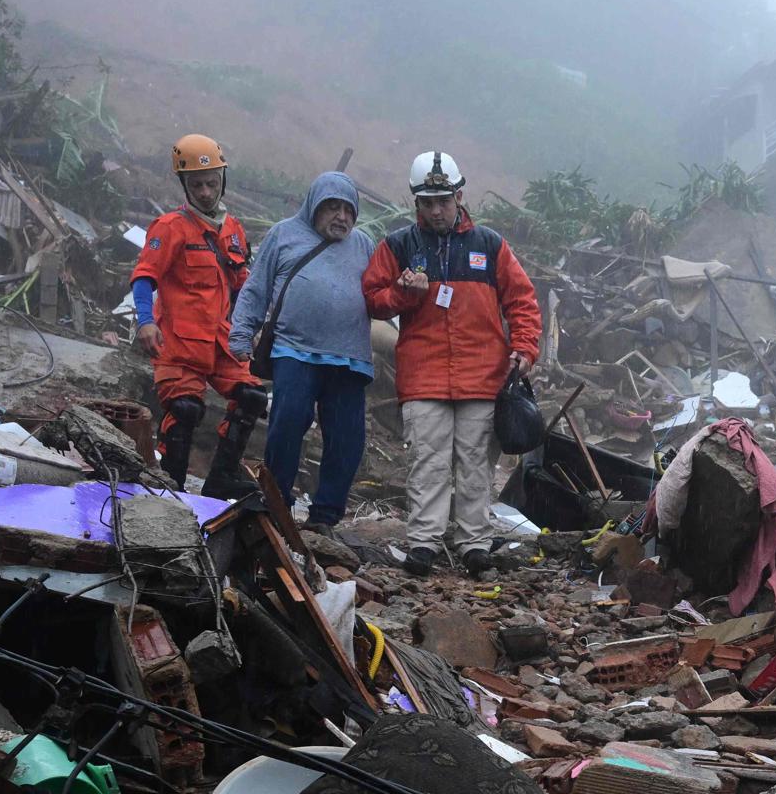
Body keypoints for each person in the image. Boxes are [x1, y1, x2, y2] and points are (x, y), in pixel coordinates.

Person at [362, 151, 541, 575]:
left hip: (483, 374)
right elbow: (371, 297)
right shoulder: (399, 246)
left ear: (459, 196)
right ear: (415, 202)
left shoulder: (490, 245)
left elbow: (522, 301)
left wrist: (525, 348)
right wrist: (405, 296)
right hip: (423, 375)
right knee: (428, 460)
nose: (436, 210)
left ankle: (473, 544)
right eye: (427, 202)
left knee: (477, 461)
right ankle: (423, 543)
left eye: (443, 200)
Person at [228, 172, 376, 531]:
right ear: (314, 207)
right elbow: (256, 287)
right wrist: (240, 332)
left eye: (348, 209)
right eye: (332, 208)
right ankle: (277, 503)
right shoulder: (284, 235)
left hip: (350, 358)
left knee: (347, 438)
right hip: (294, 350)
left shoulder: (365, 245)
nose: (341, 217)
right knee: (287, 422)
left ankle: (325, 517)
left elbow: (384, 294)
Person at [131, 133, 262, 494]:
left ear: (223, 180)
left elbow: (242, 284)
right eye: (197, 184)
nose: (205, 192)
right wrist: (145, 321)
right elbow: (144, 277)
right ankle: (171, 483)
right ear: (184, 185)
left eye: (211, 183)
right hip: (179, 341)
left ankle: (221, 478)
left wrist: (251, 325)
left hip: (221, 340)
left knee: (251, 397)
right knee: (186, 409)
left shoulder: (233, 229)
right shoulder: (170, 227)